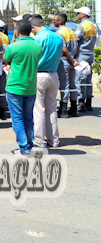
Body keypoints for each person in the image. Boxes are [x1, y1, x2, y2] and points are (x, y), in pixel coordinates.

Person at [31, 17, 75, 148]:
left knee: (38, 109)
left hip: (39, 75)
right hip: (53, 74)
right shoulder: (57, 37)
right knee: (51, 109)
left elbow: (33, 57)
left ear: (33, 27)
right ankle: (53, 140)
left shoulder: (37, 38)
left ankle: (39, 140)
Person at [3, 20, 43, 156]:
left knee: (17, 119)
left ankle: (24, 148)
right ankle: (29, 146)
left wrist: (14, 40)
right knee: (28, 118)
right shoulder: (37, 46)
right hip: (30, 87)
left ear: (17, 31)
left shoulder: (13, 46)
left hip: (15, 87)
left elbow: (6, 59)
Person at [54, 12, 79, 117]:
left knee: (64, 85)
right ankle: (73, 108)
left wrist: (71, 60)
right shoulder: (71, 31)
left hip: (64, 60)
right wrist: (75, 59)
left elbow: (64, 49)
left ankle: (63, 109)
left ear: (60, 21)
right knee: (73, 85)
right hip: (72, 60)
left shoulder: (60, 32)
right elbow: (77, 46)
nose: (53, 21)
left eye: (55, 20)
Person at [73, 7, 96, 113]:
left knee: (79, 78)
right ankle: (89, 103)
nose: (77, 15)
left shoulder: (82, 26)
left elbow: (75, 38)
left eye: (78, 13)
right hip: (91, 53)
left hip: (82, 54)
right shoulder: (93, 25)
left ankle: (81, 102)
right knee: (88, 78)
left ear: (83, 15)